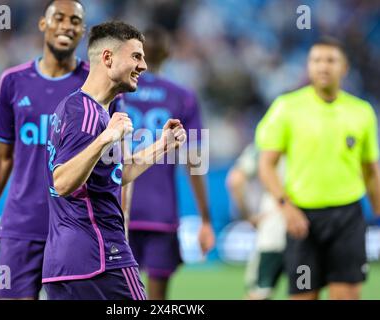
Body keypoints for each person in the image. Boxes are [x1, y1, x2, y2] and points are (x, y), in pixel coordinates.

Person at [0, 0, 121, 299]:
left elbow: (115, 165)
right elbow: (2, 157)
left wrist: (119, 225)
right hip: (21, 228)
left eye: (75, 21)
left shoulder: (101, 83)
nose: (66, 25)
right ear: (43, 24)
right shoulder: (12, 82)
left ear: (83, 31)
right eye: (59, 18)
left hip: (78, 230)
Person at [42, 21, 187, 300]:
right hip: (101, 259)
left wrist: (161, 146)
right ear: (108, 58)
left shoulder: (85, 109)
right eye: (136, 56)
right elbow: (61, 182)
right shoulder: (85, 114)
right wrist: (105, 138)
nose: (143, 65)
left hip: (67, 266)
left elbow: (115, 172)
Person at [256, 38, 380, 300]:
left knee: (346, 296)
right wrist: (285, 206)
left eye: (330, 60)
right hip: (303, 219)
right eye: (316, 60)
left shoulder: (362, 112)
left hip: (348, 218)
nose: (323, 67)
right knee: (303, 296)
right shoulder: (287, 107)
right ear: (308, 66)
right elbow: (266, 165)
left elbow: (370, 169)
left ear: (344, 67)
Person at [122, 26, 215, 300]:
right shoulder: (182, 96)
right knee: (157, 300)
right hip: (160, 212)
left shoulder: (116, 92)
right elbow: (194, 160)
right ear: (168, 54)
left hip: (117, 211)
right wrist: (206, 219)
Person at [227, 143, 286, 300]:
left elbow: (235, 180)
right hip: (308, 223)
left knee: (260, 291)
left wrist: (248, 216)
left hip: (275, 226)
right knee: (304, 287)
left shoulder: (269, 139)